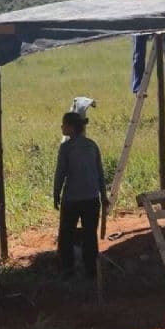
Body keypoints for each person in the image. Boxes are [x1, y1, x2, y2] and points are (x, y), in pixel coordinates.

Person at [53, 112, 107, 279]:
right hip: (92, 198)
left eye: (63, 124)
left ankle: (67, 270)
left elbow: (60, 173)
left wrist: (56, 193)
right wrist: (103, 195)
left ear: (71, 127)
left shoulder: (66, 148)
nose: (61, 127)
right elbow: (100, 172)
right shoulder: (92, 145)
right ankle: (91, 271)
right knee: (90, 235)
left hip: (72, 199)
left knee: (66, 234)